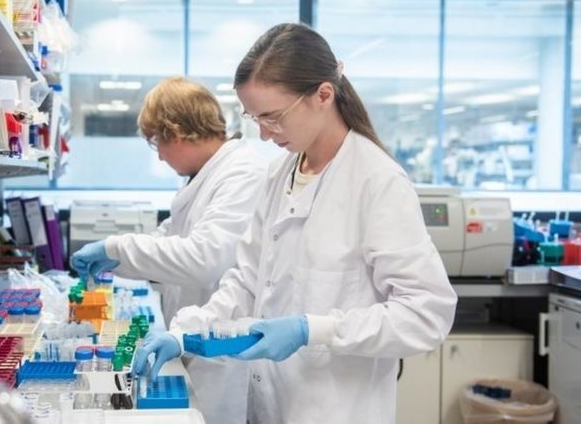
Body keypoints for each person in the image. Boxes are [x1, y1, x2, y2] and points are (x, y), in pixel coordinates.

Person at [133, 23, 458, 424]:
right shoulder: (279, 174)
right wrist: (185, 331)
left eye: (273, 117)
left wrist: (312, 330)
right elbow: (247, 280)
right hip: (269, 405)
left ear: (323, 95)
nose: (264, 135)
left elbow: (426, 314)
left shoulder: (377, 181)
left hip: (336, 412)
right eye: (255, 119)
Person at [71, 76, 267, 424]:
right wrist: (117, 257)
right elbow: (171, 236)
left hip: (221, 349)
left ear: (175, 132)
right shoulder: (206, 174)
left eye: (156, 143)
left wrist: (117, 247)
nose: (160, 156)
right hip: (195, 337)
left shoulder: (243, 174)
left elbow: (203, 258)